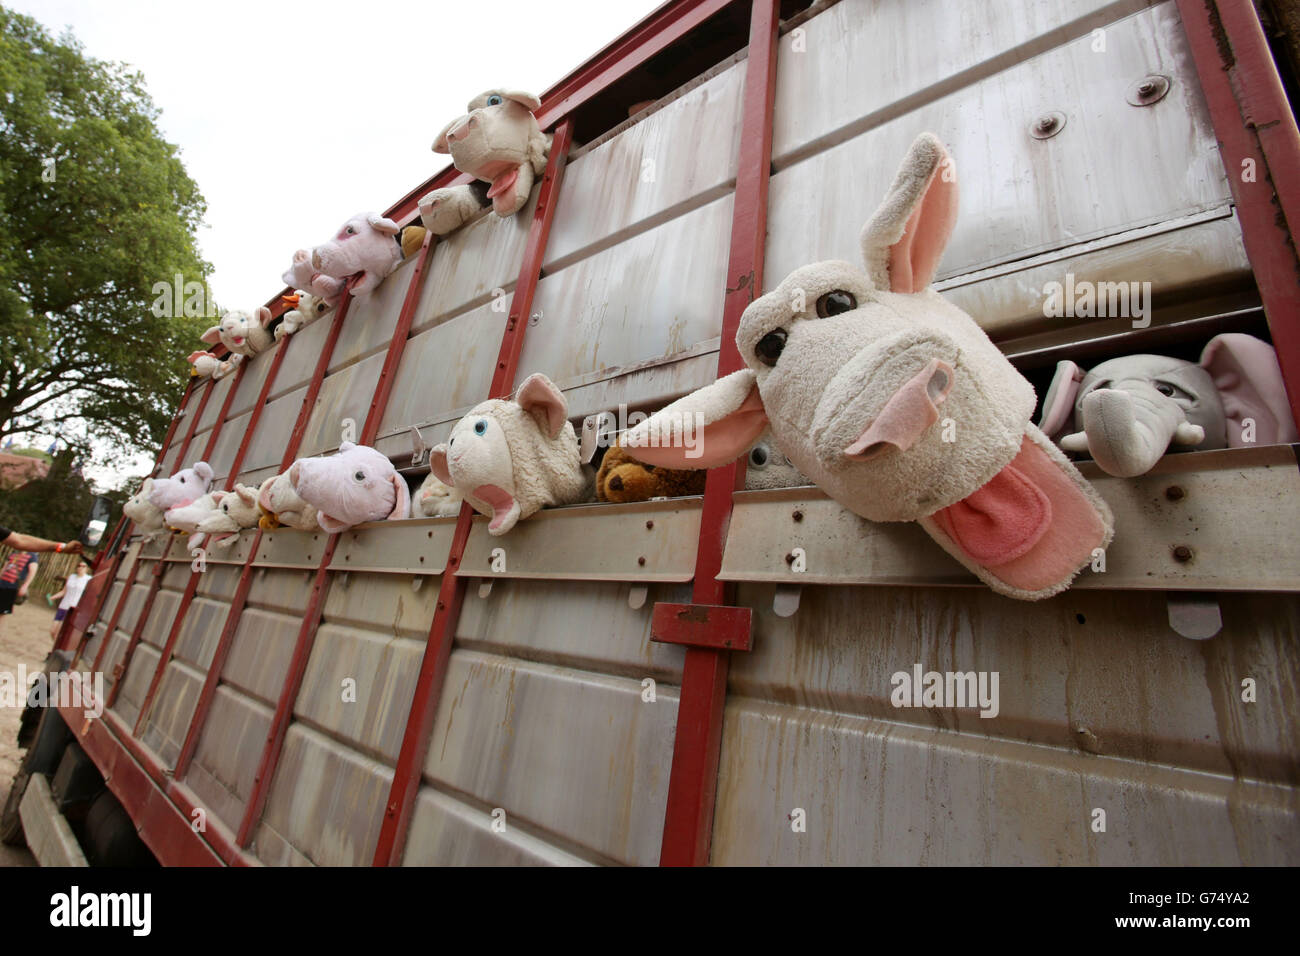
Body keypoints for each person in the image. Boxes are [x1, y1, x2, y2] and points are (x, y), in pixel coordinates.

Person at [0, 525, 83, 636]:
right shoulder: (13, 554)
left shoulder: (31, 556)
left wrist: (61, 547)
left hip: (10, 586)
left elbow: (19, 540)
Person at [48, 560, 93, 638]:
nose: (80, 568)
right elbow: (64, 591)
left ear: (87, 569)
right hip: (63, 606)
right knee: (52, 631)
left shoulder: (88, 579)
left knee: (58, 632)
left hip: (72, 608)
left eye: (83, 566)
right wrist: (53, 597)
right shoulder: (71, 577)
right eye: (79, 566)